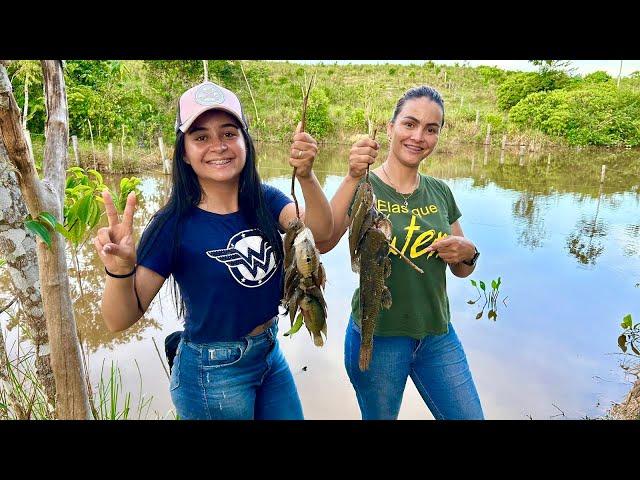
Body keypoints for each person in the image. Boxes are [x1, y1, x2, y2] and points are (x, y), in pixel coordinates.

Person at [94, 80, 333, 420]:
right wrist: (120, 268)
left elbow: (320, 236)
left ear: (245, 142)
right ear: (185, 153)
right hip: (213, 373)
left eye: (229, 133)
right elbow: (119, 319)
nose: (218, 146)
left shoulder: (266, 200)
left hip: (269, 353)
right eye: (201, 137)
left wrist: (307, 178)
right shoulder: (172, 223)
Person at [316, 85, 484, 420]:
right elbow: (324, 241)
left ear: (437, 136)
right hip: (379, 339)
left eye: (431, 129)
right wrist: (351, 176)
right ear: (391, 127)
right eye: (410, 124)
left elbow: (462, 269)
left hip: (437, 335)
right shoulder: (364, 187)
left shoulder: (440, 191)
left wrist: (468, 251)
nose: (419, 136)